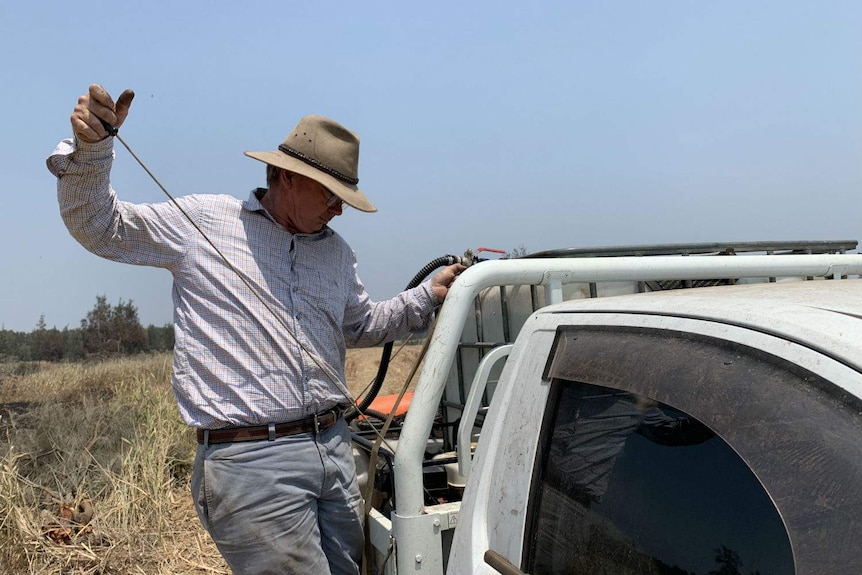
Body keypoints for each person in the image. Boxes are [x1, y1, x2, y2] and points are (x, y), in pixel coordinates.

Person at [47, 84, 465, 575]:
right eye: (332, 194)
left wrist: (426, 297)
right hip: (250, 464)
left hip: (333, 447)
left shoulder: (334, 252)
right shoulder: (204, 223)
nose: (340, 209)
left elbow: (360, 324)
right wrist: (94, 151)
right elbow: (100, 225)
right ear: (288, 176)